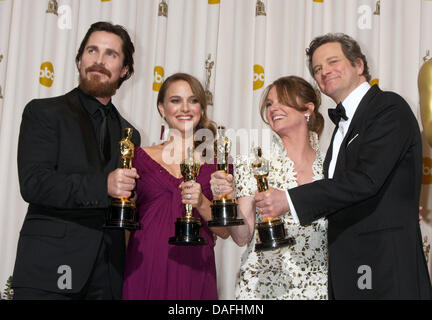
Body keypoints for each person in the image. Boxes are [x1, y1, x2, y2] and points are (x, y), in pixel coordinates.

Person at [255, 33, 432, 299]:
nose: (324, 71)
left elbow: (364, 180)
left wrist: (289, 200)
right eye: (317, 69)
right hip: (346, 268)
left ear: (358, 66)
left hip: (383, 269)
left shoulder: (388, 108)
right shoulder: (340, 129)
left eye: (332, 61)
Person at [12, 21, 140, 300]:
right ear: (80, 59)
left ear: (125, 69)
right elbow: (34, 184)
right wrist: (102, 185)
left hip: (108, 276)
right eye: (92, 50)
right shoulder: (44, 113)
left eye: (111, 54)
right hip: (49, 271)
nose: (99, 60)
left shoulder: (131, 135)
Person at [210, 76, 327, 300]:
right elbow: (242, 237)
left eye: (282, 100)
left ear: (308, 109)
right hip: (261, 290)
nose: (274, 108)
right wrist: (228, 197)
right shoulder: (252, 163)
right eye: (269, 104)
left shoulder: (332, 168)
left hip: (318, 288)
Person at [122, 73, 229, 300]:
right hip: (143, 269)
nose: (185, 108)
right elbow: (125, 223)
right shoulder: (139, 158)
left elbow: (224, 230)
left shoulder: (218, 164)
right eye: (175, 100)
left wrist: (201, 202)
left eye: (193, 100)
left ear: (201, 108)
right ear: (162, 108)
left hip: (195, 270)